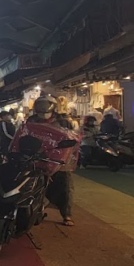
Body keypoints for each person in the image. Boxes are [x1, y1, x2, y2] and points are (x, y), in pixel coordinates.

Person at [29, 97, 75, 226]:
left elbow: (72, 139)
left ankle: (66, 214)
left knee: (64, 186)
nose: (43, 111)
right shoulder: (31, 121)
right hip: (37, 157)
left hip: (58, 158)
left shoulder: (63, 122)